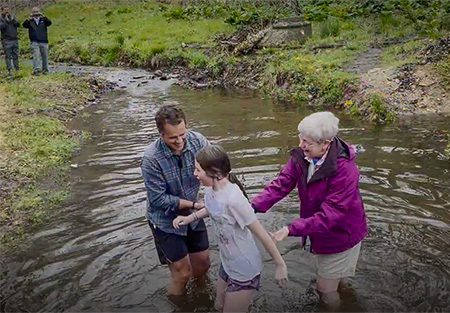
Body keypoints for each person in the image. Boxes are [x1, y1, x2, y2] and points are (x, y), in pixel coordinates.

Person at [251, 111, 367, 308]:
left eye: (308, 142)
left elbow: (331, 215)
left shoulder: (345, 170)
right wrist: (251, 207)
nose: (301, 145)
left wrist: (290, 229)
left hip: (341, 235)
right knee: (337, 281)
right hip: (320, 233)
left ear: (326, 144)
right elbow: (281, 184)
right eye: (301, 138)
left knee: (325, 290)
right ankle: (348, 300)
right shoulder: (302, 157)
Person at [173, 145, 288, 313]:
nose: (194, 174)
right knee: (219, 306)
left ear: (215, 173)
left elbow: (261, 233)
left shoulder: (235, 200)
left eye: (198, 170)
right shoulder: (210, 190)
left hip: (244, 269)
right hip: (227, 264)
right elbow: (211, 208)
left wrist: (280, 265)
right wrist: (190, 218)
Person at [141, 105, 210, 296]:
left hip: (193, 215)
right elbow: (158, 199)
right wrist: (196, 205)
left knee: (203, 264)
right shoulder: (151, 159)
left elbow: (214, 168)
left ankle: (200, 296)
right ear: (161, 134)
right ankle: (178, 305)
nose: (179, 141)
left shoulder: (198, 142)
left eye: (182, 134)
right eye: (173, 138)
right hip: (164, 219)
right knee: (182, 274)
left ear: (187, 126)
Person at [22, 7, 52, 75]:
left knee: (45, 56)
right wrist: (28, 19)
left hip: (44, 41)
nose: (36, 14)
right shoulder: (30, 21)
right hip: (34, 41)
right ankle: (37, 70)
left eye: (37, 12)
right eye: (34, 13)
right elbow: (24, 25)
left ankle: (45, 70)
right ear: (32, 13)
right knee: (36, 56)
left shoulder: (43, 20)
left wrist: (44, 16)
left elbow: (49, 23)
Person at [0, 6, 20, 77]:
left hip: (15, 39)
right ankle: (10, 70)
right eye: (5, 10)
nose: (7, 12)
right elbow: (1, 27)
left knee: (16, 55)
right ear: (2, 11)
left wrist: (13, 20)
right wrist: (5, 20)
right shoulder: (1, 19)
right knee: (8, 56)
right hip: (6, 40)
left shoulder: (13, 17)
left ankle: (17, 69)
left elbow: (18, 24)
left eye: (8, 10)